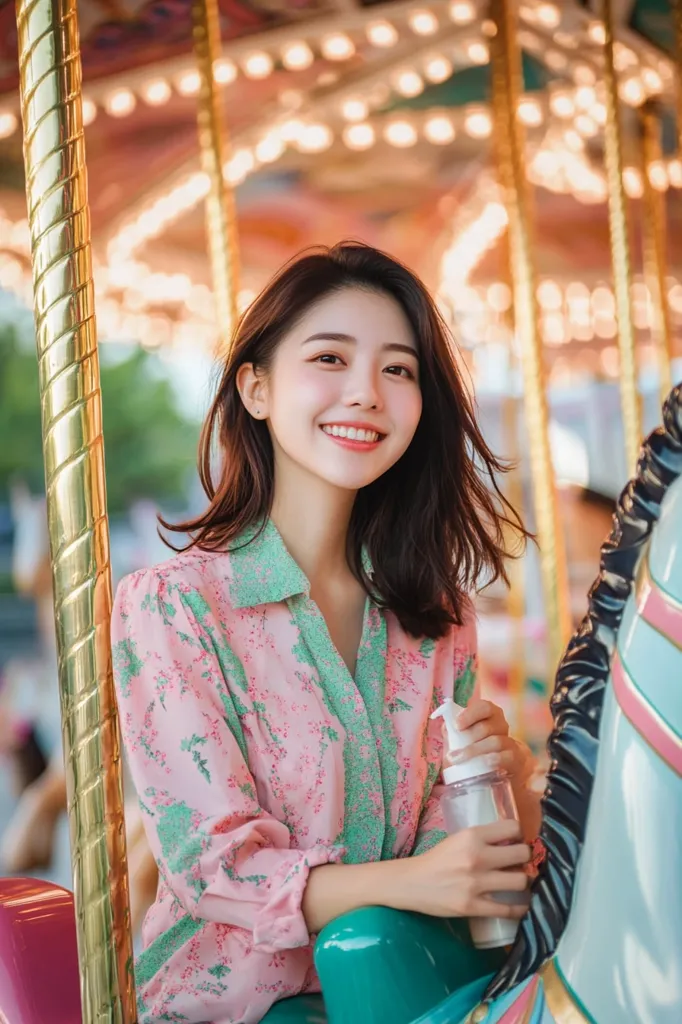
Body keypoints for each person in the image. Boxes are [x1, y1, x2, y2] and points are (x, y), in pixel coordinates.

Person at [112, 242, 540, 1024]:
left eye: (398, 370)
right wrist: (407, 885)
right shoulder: (174, 607)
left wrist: (498, 787)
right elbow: (216, 870)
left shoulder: (436, 618)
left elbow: (458, 862)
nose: (366, 393)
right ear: (257, 387)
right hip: (239, 1009)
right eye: (331, 358)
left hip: (408, 981)